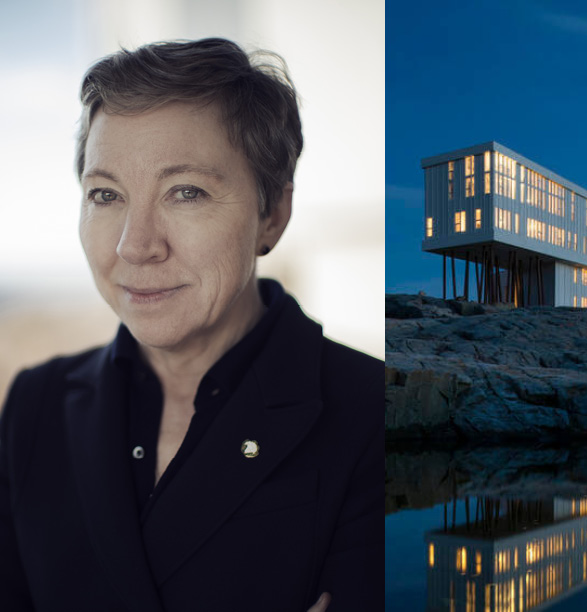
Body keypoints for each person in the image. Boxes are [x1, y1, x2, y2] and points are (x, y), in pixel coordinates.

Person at [0, 38, 383, 611]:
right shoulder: (36, 404)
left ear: (271, 214)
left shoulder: (375, 414)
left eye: (186, 192)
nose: (136, 246)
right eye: (105, 195)